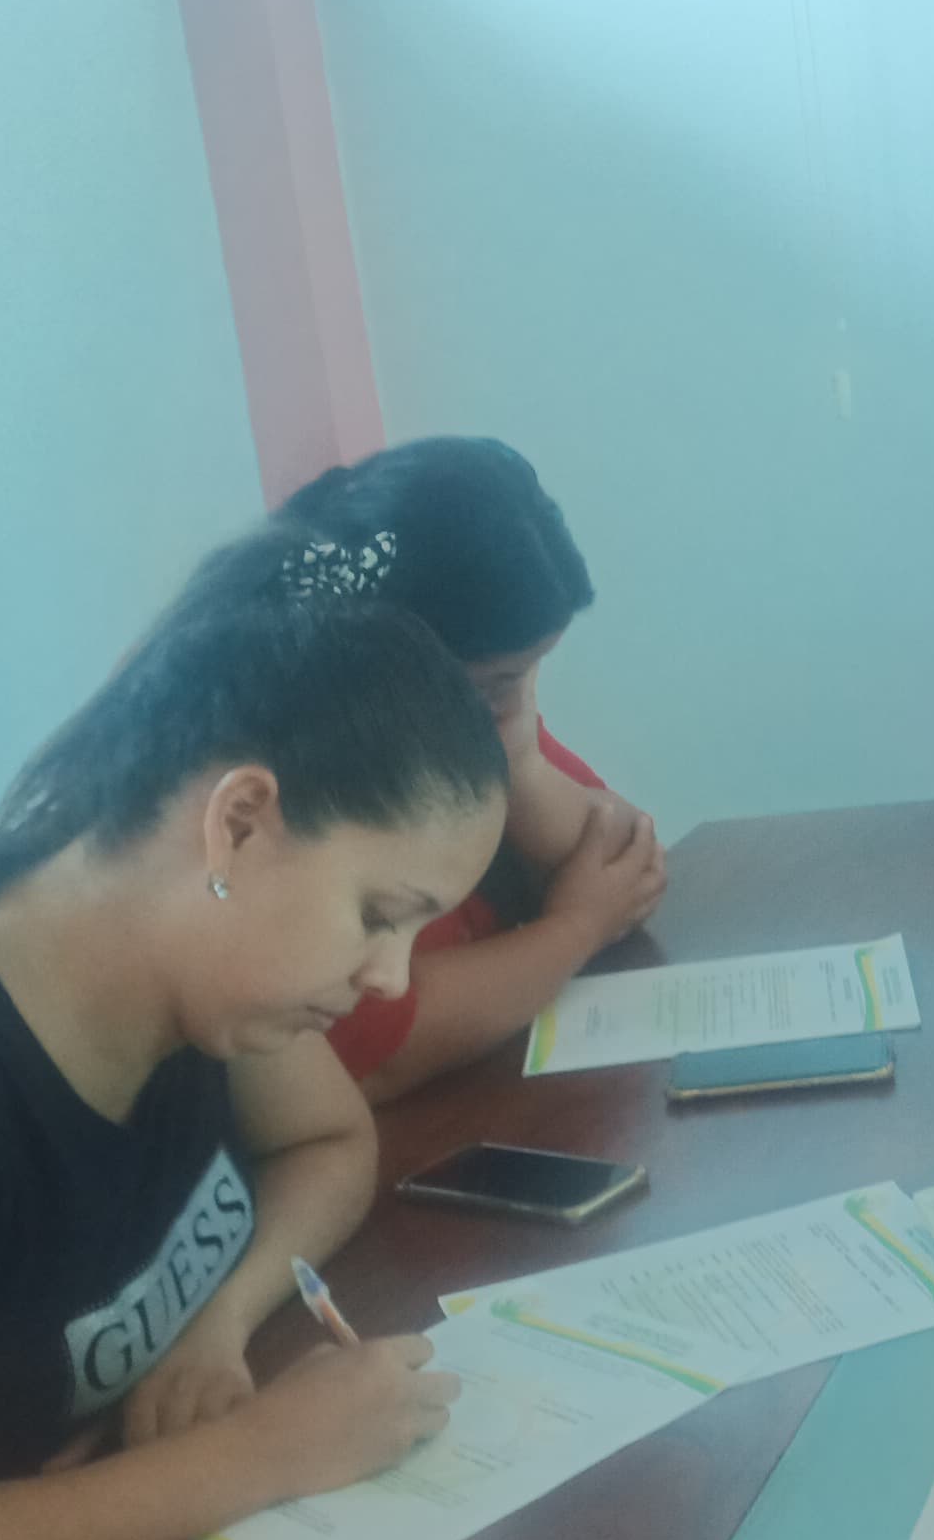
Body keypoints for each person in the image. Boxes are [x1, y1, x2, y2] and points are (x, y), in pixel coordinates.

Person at [0, 582, 510, 1540]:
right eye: (378, 915)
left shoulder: (214, 979)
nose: (391, 979)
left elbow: (331, 1143)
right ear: (238, 824)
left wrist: (218, 1319)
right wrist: (260, 1456)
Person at [230, 439, 666, 1100]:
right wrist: (575, 930)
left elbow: (626, 864)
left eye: (527, 675)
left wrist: (519, 754)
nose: (517, 698)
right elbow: (374, 1050)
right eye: (498, 681)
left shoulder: (482, 715)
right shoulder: (298, 770)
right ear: (396, 656)